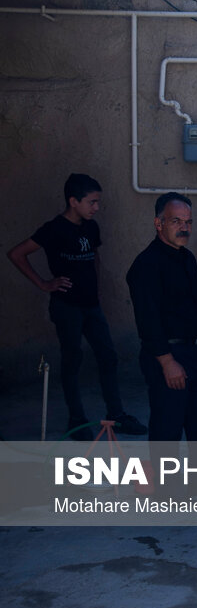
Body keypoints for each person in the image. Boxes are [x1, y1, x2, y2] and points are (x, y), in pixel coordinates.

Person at [7, 174, 146, 440]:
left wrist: (97, 286)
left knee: (108, 356)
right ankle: (76, 419)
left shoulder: (91, 228)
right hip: (66, 307)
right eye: (92, 202)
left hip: (91, 306)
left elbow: (94, 257)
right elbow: (16, 253)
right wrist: (43, 283)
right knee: (72, 360)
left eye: (98, 202)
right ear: (73, 201)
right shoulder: (54, 229)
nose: (96, 208)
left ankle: (116, 414)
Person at [126, 192, 197, 442]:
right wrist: (167, 362)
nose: (184, 228)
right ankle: (166, 483)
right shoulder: (146, 265)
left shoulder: (188, 258)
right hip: (168, 357)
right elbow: (148, 320)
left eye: (188, 222)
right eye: (176, 221)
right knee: (168, 430)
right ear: (159, 224)